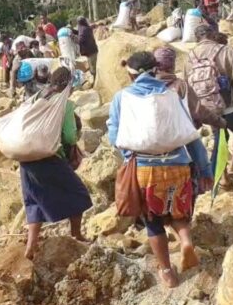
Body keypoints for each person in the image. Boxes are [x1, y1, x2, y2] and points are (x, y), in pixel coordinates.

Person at [108, 52, 211, 289]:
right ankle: (185, 241)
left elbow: (115, 136)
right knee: (178, 212)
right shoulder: (171, 95)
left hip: (145, 170)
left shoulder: (121, 98)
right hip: (178, 166)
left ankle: (167, 272)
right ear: (156, 70)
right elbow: (190, 136)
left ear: (130, 74)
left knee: (153, 221)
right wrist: (204, 169)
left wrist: (129, 156)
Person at [19, 67, 92, 260]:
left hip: (26, 158)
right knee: (79, 193)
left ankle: (30, 247)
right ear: (68, 85)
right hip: (49, 158)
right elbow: (68, 136)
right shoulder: (64, 105)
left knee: (34, 201)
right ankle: (76, 234)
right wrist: (76, 137)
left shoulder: (35, 98)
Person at [186, 23, 233, 188]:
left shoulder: (190, 57)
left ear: (197, 38)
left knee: (220, 139)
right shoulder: (225, 51)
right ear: (211, 35)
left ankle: (224, 178)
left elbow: (186, 86)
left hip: (207, 108)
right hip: (229, 103)